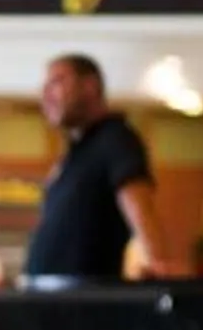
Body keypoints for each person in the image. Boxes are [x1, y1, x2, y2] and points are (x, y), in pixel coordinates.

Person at [21, 54, 179, 281]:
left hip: (83, 301)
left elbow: (138, 204)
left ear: (90, 86)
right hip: (49, 297)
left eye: (57, 82)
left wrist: (158, 262)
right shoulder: (76, 152)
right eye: (44, 86)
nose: (45, 95)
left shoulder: (115, 138)